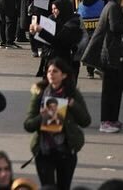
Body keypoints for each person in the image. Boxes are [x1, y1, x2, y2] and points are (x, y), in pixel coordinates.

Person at [23, 57, 90, 190]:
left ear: (64, 75)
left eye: (55, 71)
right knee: (48, 187)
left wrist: (73, 105)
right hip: (44, 151)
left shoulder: (72, 94)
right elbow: (28, 125)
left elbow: (86, 121)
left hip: (66, 150)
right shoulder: (40, 94)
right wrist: (42, 116)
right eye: (49, 71)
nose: (51, 74)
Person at [81, 0, 123, 133]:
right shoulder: (114, 7)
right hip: (109, 53)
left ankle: (112, 119)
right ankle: (106, 121)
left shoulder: (110, 5)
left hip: (109, 52)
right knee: (110, 90)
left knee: (114, 89)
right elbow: (115, 27)